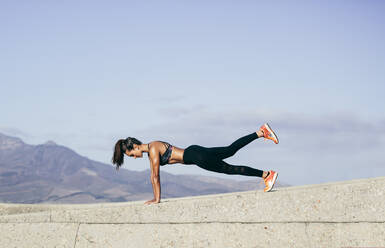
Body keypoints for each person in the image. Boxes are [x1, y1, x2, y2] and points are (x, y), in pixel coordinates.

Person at [112, 123, 279, 205]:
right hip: (194, 152)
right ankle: (261, 132)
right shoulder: (152, 150)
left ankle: (266, 175)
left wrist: (156, 199)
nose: (133, 157)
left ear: (133, 146)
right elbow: (153, 175)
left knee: (229, 169)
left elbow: (154, 176)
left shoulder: (153, 149)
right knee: (229, 151)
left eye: (131, 154)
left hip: (196, 156)